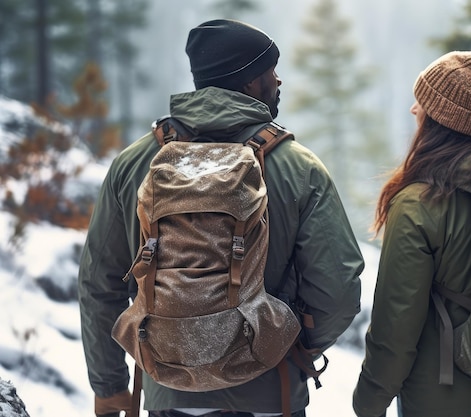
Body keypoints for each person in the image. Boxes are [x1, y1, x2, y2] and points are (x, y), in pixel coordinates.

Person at [78, 19, 364, 417]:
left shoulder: (135, 163)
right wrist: (292, 347)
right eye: (270, 71)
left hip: (166, 394)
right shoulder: (298, 168)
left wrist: (109, 387)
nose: (278, 80)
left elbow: (99, 284)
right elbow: (338, 287)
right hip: (270, 397)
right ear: (248, 83)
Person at [352, 50, 471, 417]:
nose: (413, 109)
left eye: (422, 101)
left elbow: (396, 327)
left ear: (441, 118)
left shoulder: (418, 203)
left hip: (438, 401)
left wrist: (368, 403)